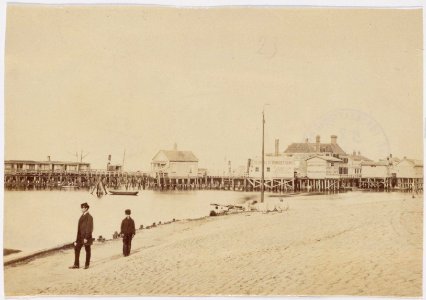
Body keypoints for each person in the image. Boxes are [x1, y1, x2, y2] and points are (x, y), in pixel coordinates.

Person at [69, 202, 93, 269]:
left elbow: (89, 228)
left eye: (83, 208)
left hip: (86, 237)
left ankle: (87, 265)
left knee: (87, 250)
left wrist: (86, 237)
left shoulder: (89, 217)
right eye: (81, 207)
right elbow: (79, 229)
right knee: (76, 248)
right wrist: (77, 240)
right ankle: (76, 264)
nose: (82, 209)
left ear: (86, 208)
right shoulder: (82, 216)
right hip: (80, 237)